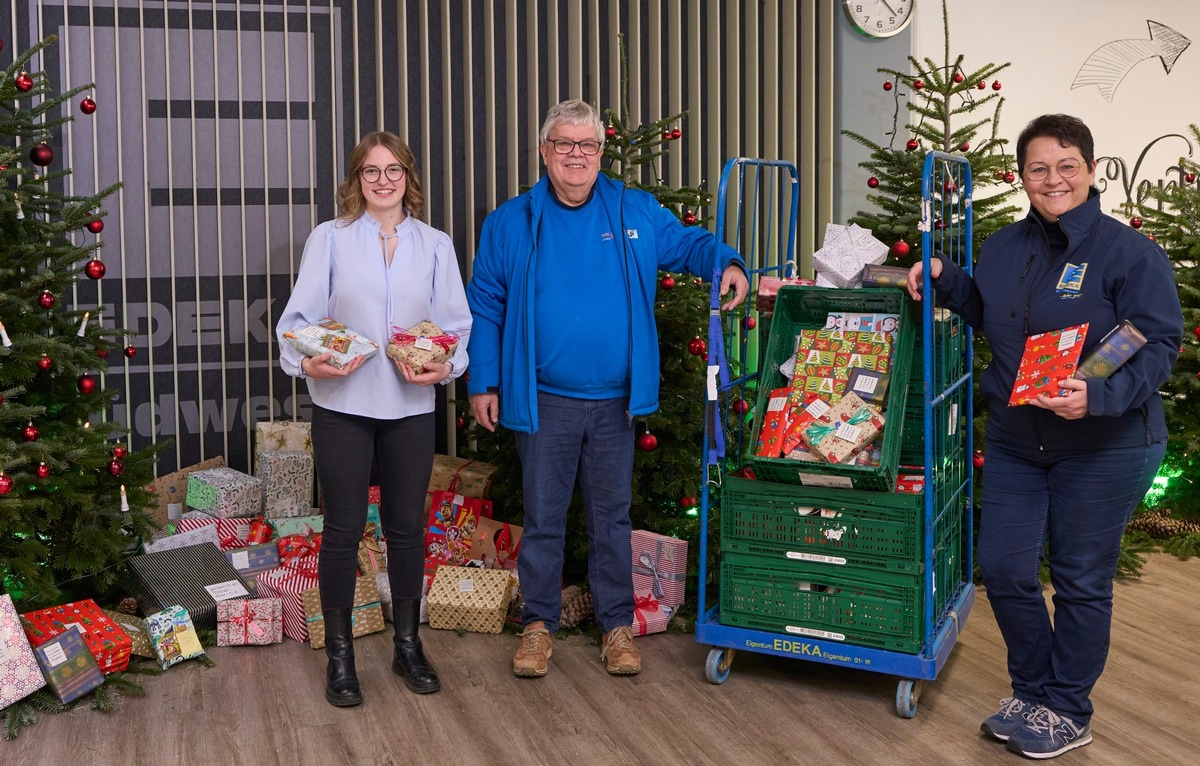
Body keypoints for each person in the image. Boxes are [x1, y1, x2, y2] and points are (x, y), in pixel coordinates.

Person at [907, 114, 1181, 759]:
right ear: (1022, 176)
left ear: (1090, 169)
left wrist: (1100, 394)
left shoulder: (1128, 252)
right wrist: (946, 277)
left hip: (1108, 443)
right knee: (1002, 567)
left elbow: (1158, 339)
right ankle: (1032, 691)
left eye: (1066, 166)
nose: (1052, 179)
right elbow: (985, 313)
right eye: (1038, 168)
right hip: (1014, 437)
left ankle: (1067, 707)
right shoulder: (1003, 247)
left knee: (1082, 578)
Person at [466, 98, 748, 679]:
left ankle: (616, 624)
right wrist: (484, 380)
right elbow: (486, 305)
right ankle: (539, 624)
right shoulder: (509, 222)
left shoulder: (633, 210)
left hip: (617, 399)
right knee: (544, 518)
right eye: (564, 144)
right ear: (545, 152)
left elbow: (690, 245)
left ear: (600, 152)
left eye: (587, 145)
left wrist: (728, 262)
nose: (576, 155)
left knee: (611, 516)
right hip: (543, 398)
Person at [276, 131, 472, 707]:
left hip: (411, 406)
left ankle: (407, 645)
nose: (383, 180)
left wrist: (446, 367)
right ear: (356, 180)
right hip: (342, 406)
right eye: (370, 171)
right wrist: (305, 359)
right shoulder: (330, 239)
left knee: (407, 529)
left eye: (393, 170)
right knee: (340, 531)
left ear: (409, 178)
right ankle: (341, 658)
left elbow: (455, 326)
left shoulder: (435, 245)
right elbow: (299, 318)